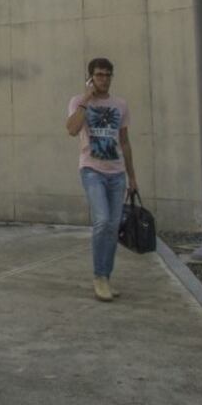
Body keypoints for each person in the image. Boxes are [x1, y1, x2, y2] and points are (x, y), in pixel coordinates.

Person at [66, 57, 137, 302]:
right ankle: (99, 277)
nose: (103, 79)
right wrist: (86, 99)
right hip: (91, 170)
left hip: (117, 173)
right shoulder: (78, 102)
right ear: (90, 77)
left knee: (113, 226)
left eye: (107, 75)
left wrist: (132, 177)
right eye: (98, 75)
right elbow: (72, 129)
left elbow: (125, 143)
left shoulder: (120, 105)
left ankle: (106, 277)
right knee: (103, 221)